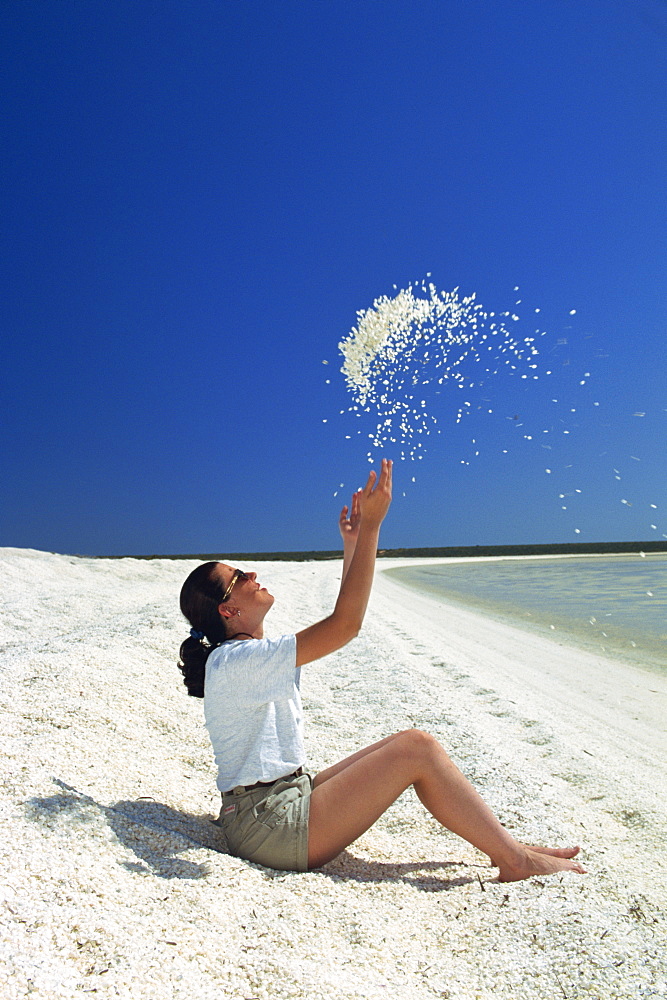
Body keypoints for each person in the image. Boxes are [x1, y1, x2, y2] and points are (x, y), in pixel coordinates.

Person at [178, 459, 585, 881]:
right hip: (269, 826)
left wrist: (353, 543)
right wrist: (372, 528)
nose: (253, 574)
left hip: (281, 800)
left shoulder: (247, 656)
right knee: (417, 748)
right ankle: (515, 862)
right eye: (239, 575)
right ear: (229, 610)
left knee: (403, 744)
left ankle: (507, 845)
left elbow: (340, 616)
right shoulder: (238, 661)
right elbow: (345, 625)